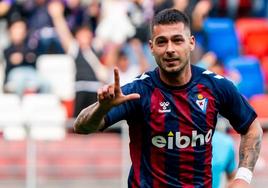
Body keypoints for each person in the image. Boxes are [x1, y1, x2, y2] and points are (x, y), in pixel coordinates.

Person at [73, 8, 263, 187]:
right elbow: (81, 127)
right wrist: (101, 108)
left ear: (191, 42)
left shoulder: (216, 86)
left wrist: (243, 178)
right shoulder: (139, 90)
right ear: (152, 47)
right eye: (162, 41)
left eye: (177, 40)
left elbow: (252, 127)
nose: (169, 49)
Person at [48, 1, 109, 117]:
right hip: (80, 88)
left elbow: (103, 27)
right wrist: (57, 16)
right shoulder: (75, 49)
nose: (84, 38)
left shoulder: (96, 47)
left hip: (96, 89)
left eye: (87, 34)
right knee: (79, 120)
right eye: (81, 35)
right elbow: (63, 33)